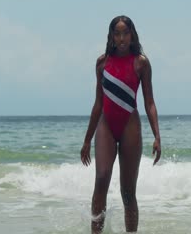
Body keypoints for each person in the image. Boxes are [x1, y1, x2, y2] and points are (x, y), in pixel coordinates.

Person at [80, 15, 161, 233]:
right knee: (102, 177)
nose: (122, 38)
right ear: (111, 37)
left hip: (130, 127)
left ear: (132, 35)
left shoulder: (141, 63)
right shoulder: (102, 63)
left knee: (128, 192)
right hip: (106, 125)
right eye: (117, 33)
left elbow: (149, 102)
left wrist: (157, 136)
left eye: (126, 33)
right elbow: (98, 104)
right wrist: (87, 139)